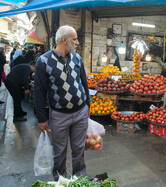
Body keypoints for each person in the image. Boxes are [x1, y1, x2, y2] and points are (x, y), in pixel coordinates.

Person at [34, 25, 90, 181]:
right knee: (59, 153)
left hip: (80, 112)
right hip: (59, 116)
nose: (77, 42)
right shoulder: (43, 61)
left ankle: (80, 180)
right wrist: (41, 118)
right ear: (64, 40)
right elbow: (39, 92)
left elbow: (84, 83)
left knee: (79, 149)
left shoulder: (77, 58)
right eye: (74, 39)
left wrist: (88, 106)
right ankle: (60, 181)